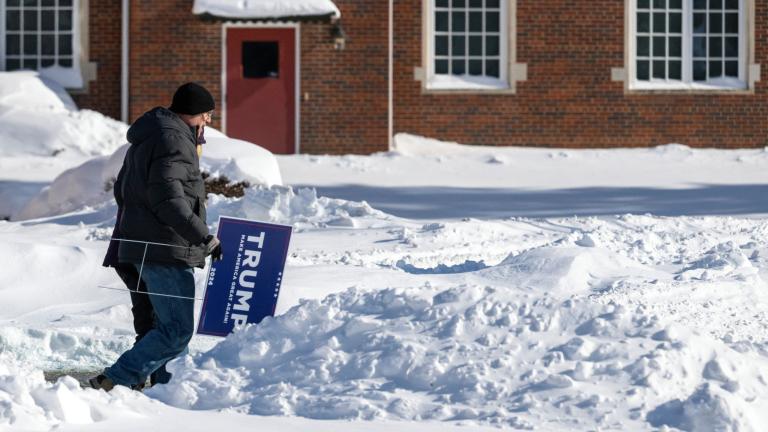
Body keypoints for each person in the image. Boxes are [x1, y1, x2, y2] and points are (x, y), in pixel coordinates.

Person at [90, 82, 223, 391]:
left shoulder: (149, 136)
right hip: (164, 249)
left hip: (141, 247)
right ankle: (115, 379)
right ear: (194, 113)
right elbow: (169, 200)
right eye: (207, 115)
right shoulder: (172, 140)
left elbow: (125, 191)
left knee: (158, 327)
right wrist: (204, 237)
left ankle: (166, 390)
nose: (208, 123)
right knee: (176, 330)